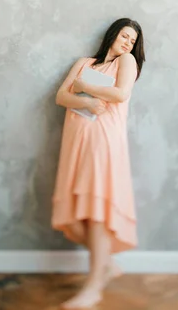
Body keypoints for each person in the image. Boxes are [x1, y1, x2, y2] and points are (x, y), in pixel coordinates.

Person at [51, 18, 145, 308]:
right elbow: (61, 96)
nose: (128, 42)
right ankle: (104, 265)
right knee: (78, 217)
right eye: (125, 36)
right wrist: (86, 100)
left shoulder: (126, 61)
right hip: (76, 143)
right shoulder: (84, 62)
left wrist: (83, 87)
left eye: (133, 40)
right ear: (113, 34)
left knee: (96, 212)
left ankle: (93, 288)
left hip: (103, 142)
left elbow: (121, 94)